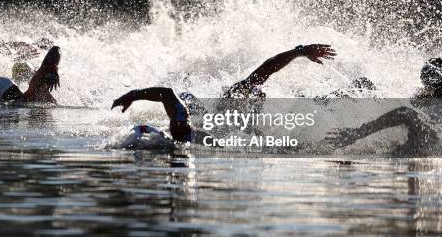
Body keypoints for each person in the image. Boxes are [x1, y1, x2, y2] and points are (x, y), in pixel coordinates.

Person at [112, 44, 337, 143]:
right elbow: (167, 94)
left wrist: (133, 94)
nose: (260, 97)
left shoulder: (230, 109)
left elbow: (167, 94)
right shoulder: (189, 130)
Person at [326, 58, 442, 154]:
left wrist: (357, 133)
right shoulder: (424, 95)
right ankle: (318, 104)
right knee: (363, 83)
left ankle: (354, 135)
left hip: (431, 144)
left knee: (405, 113)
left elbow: (406, 112)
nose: (426, 89)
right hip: (420, 135)